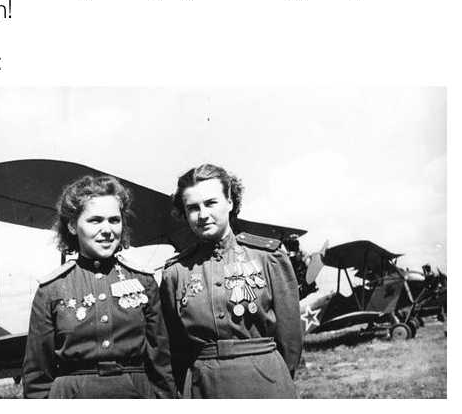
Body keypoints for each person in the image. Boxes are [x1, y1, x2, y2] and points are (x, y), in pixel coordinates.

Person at [22, 175, 176, 398]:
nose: (107, 229)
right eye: (95, 220)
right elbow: (37, 377)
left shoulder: (144, 281)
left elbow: (162, 364)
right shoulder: (51, 290)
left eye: (114, 220)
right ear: (73, 226)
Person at [160, 164, 302, 398]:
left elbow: (291, 339)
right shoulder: (176, 272)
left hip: (265, 382)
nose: (203, 214)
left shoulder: (268, 257)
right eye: (193, 208)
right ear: (184, 214)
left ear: (230, 202)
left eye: (211, 203)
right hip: (202, 387)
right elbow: (175, 347)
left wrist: (277, 380)